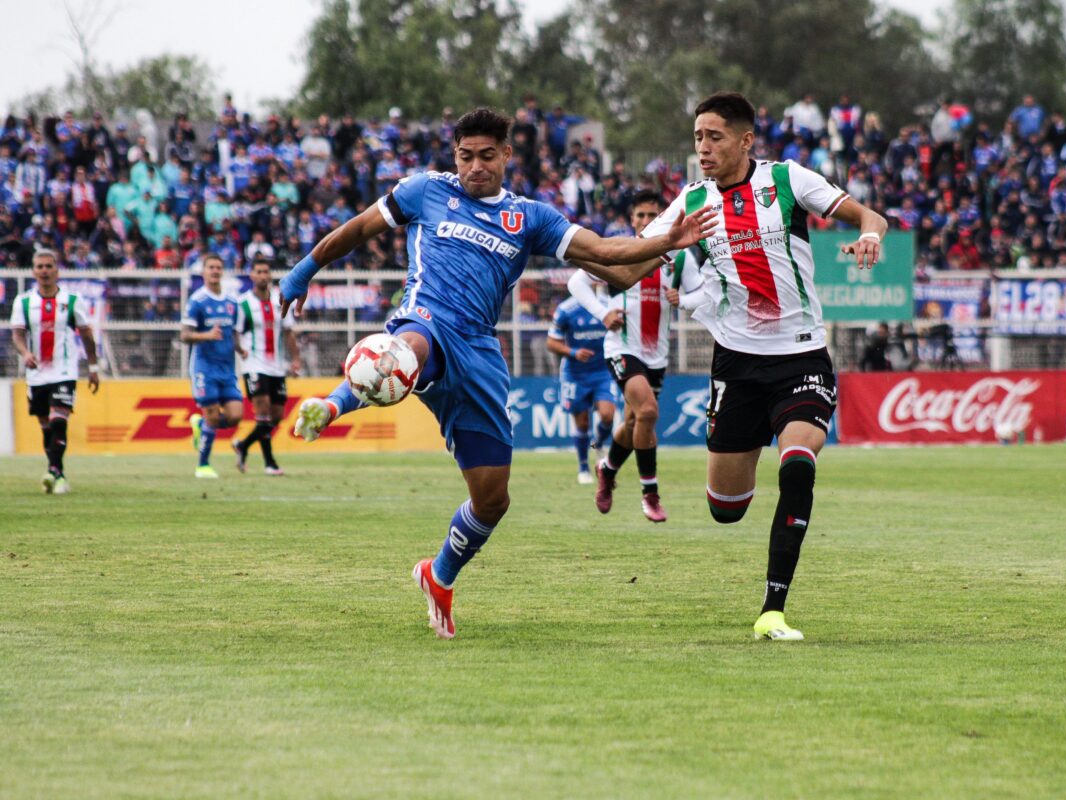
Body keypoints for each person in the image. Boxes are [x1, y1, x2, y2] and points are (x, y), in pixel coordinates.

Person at [277, 108, 716, 639]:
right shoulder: (424, 190)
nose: (475, 167)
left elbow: (607, 257)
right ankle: (332, 405)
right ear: (454, 154)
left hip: (481, 354)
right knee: (408, 349)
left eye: (487, 156)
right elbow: (356, 228)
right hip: (426, 321)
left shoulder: (530, 217)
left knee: (492, 500)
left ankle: (439, 575)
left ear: (507, 155)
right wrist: (304, 269)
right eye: (466, 156)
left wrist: (666, 241)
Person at [629, 92, 886, 641]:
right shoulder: (692, 200)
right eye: (698, 137)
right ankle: (739, 495)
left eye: (714, 137)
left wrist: (868, 235)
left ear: (746, 141)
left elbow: (870, 216)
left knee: (797, 464)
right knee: (726, 508)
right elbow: (631, 261)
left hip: (801, 356)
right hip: (737, 365)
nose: (703, 148)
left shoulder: (788, 180)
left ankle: (773, 609)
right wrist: (583, 253)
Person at [567, 189, 704, 522]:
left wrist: (683, 299)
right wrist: (603, 313)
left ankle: (607, 469)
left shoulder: (679, 256)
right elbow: (577, 283)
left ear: (662, 218)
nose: (645, 221)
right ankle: (650, 494)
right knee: (648, 411)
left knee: (633, 423)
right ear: (632, 220)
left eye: (652, 215)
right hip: (622, 348)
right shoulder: (623, 252)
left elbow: (702, 292)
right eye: (640, 215)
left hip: (657, 355)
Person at [9, 249, 100, 494]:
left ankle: (54, 472)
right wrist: (25, 353)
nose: (44, 271)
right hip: (37, 374)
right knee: (46, 426)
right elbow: (17, 334)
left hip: (64, 371)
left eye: (49, 266)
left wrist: (93, 367)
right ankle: (56, 472)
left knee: (59, 421)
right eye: (40, 267)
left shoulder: (72, 301)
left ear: (57, 270)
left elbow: (87, 335)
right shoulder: (23, 302)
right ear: (33, 271)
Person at [233, 256, 300, 476]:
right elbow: (234, 332)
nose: (263, 276)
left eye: (266, 272)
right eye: (259, 272)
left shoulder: (281, 300)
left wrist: (296, 359)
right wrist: (239, 349)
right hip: (253, 365)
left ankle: (243, 445)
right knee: (262, 412)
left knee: (277, 415)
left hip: (277, 366)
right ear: (251, 275)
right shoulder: (243, 303)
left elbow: (289, 332)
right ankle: (270, 463)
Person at [545, 291, 619, 484]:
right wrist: (573, 352)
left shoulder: (607, 305)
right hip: (575, 373)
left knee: (608, 415)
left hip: (603, 370)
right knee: (582, 422)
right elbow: (551, 343)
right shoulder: (565, 310)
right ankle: (583, 467)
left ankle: (598, 444)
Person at [182, 254, 245, 478]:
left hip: (227, 370)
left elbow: (233, 333)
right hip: (204, 368)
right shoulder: (197, 301)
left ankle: (201, 425)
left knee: (235, 415)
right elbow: (185, 335)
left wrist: (240, 349)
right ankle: (203, 465)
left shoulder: (232, 302)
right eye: (211, 267)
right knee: (212, 416)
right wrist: (206, 335)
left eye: (218, 267)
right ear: (204, 272)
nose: (215, 271)